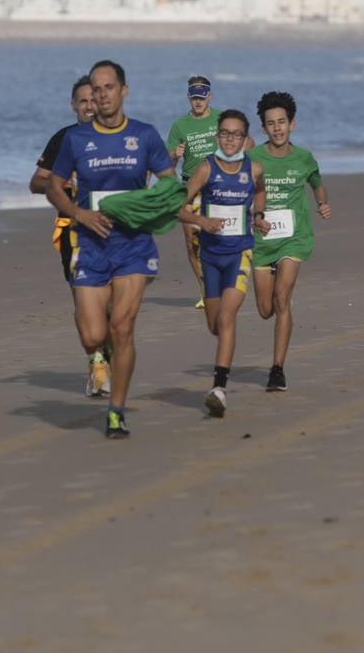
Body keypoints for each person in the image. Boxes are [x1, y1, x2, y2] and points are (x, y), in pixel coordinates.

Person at [46, 60, 173, 438]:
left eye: (108, 88)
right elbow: (53, 186)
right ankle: (102, 361)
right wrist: (78, 214)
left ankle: (116, 410)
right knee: (92, 335)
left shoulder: (145, 136)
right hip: (91, 244)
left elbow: (169, 183)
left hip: (133, 245)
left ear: (124, 91)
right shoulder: (75, 140)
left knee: (122, 327)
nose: (101, 95)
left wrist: (153, 207)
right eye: (95, 90)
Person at [179, 110, 269, 417]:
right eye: (225, 133)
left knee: (228, 318)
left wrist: (258, 217)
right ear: (218, 136)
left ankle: (219, 387)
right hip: (210, 257)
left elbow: (260, 191)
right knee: (215, 324)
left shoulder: (254, 168)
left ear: (246, 139)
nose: (230, 139)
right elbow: (177, 208)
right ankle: (224, 352)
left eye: (237, 134)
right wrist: (202, 220)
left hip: (239, 254)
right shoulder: (205, 169)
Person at [28, 75, 110, 396]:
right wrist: (69, 185)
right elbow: (37, 182)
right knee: (83, 299)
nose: (90, 106)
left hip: (112, 230)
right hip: (73, 231)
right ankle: (97, 364)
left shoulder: (117, 137)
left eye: (95, 100)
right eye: (84, 101)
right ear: (74, 105)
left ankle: (108, 354)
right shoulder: (63, 139)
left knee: (113, 306)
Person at [247, 92, 331, 392]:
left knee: (282, 300)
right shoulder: (253, 158)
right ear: (263, 128)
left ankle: (277, 369)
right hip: (261, 240)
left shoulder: (304, 158)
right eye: (271, 124)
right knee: (264, 309)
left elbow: (318, 185)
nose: (277, 128)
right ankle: (277, 358)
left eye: (282, 122)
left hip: (294, 239)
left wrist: (322, 203)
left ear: (292, 124)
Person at [166, 77, 221, 309]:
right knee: (192, 243)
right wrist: (175, 155)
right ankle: (205, 291)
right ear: (189, 98)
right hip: (190, 189)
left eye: (202, 97)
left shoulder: (221, 119)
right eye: (194, 97)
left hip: (217, 186)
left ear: (210, 96)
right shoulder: (180, 126)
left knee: (218, 240)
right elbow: (166, 165)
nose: (198, 102)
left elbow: (241, 145)